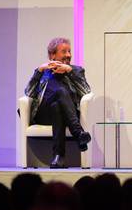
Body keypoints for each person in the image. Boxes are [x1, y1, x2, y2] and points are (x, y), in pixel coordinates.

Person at [25, 38, 91, 168]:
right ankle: (78, 133)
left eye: (69, 51)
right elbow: (29, 93)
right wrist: (39, 71)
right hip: (44, 114)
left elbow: (86, 92)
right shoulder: (43, 72)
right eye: (64, 51)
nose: (68, 55)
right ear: (52, 55)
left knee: (57, 106)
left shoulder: (76, 70)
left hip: (67, 115)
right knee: (60, 91)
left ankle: (58, 157)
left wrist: (70, 71)